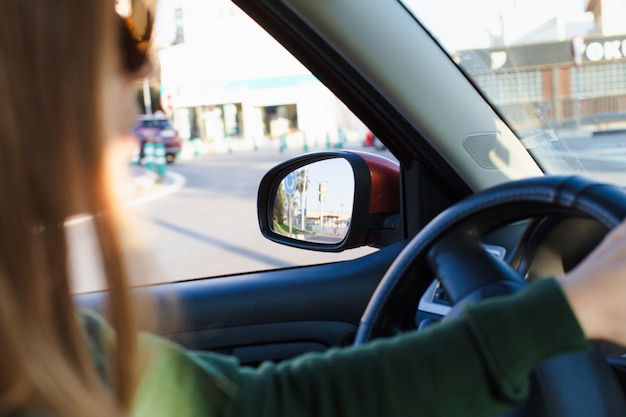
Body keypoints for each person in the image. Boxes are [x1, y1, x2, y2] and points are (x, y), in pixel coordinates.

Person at [2, 1, 626, 417]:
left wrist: (568, 312)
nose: (148, 65)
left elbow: (269, 405)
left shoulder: (53, 350)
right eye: (130, 29)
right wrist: (578, 308)